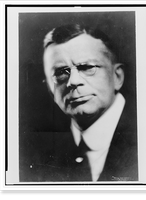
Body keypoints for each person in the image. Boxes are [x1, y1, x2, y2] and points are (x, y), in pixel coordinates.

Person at [20, 23, 138, 182]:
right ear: (49, 88)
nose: (73, 82)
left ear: (117, 77)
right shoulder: (31, 155)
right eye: (60, 72)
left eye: (86, 67)